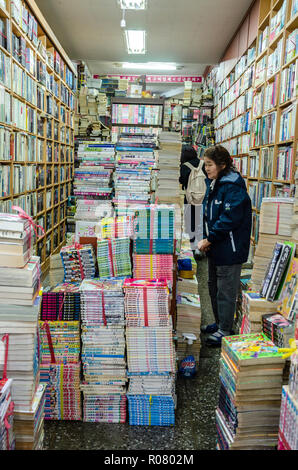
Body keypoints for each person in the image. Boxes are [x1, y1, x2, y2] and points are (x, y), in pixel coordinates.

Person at [198, 145, 252, 347]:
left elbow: (229, 219)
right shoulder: (215, 183)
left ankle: (225, 330)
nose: (206, 169)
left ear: (222, 165)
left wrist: (210, 238)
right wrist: (206, 237)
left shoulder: (232, 187)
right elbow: (208, 215)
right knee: (213, 287)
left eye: (210, 165)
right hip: (216, 246)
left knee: (226, 290)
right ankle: (220, 322)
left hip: (230, 248)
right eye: (205, 165)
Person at [179, 145, 205, 251]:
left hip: (190, 198)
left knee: (191, 223)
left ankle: (193, 247)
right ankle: (202, 245)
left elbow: (183, 181)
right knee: (201, 221)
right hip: (203, 197)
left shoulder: (185, 166)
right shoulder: (203, 163)